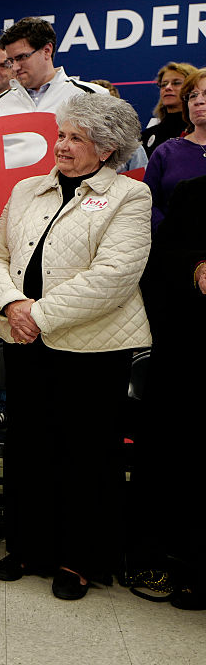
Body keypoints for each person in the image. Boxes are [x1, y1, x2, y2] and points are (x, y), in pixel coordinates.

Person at [0, 92, 150, 600]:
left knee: (85, 454)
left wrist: (40, 315)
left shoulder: (128, 197)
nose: (63, 145)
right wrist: (13, 307)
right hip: (24, 340)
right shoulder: (29, 189)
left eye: (77, 138)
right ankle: (28, 547)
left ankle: (80, 559)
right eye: (62, 135)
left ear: (108, 149)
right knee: (29, 446)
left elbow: (116, 275)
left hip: (92, 349)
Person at [138, 174, 206, 610]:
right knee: (179, 460)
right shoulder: (193, 192)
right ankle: (176, 564)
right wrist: (197, 265)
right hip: (189, 354)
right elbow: (159, 262)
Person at [0, 18, 107, 169]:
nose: (15, 67)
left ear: (47, 51)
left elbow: (113, 154)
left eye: (21, 57)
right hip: (12, 192)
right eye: (10, 61)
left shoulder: (92, 95)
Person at [143, 68, 206, 232]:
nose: (199, 101)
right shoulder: (165, 152)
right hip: (176, 250)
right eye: (193, 96)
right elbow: (147, 202)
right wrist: (167, 232)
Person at [142, 62, 196, 156]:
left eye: (176, 83)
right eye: (163, 84)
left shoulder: (199, 131)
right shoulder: (146, 135)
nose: (168, 88)